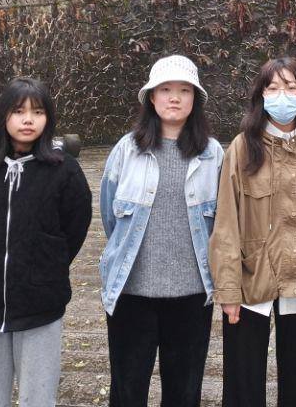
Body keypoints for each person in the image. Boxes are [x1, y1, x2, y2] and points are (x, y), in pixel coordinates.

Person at [0, 76, 92, 407]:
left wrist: (48, 257)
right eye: (19, 111)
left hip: (39, 303)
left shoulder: (65, 171)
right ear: (3, 116)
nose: (28, 120)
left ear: (48, 118)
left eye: (37, 112)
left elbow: (75, 225)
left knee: (38, 398)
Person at [99, 55, 224, 407]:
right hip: (132, 292)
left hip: (191, 294)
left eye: (184, 90)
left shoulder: (212, 154)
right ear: (151, 97)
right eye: (166, 89)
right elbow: (110, 216)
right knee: (127, 392)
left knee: (184, 393)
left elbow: (221, 222)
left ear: (195, 99)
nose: (174, 98)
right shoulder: (127, 150)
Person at [209, 56, 296, 407]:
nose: (282, 95)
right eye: (273, 88)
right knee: (242, 385)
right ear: (260, 95)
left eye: (291, 87)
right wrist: (228, 289)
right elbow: (226, 224)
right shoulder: (243, 147)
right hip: (251, 279)